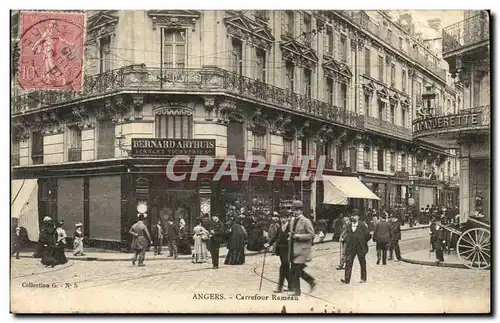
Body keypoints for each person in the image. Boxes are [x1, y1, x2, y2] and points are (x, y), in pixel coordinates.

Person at [288, 200, 316, 296]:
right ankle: (305, 285)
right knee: (295, 270)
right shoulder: (292, 220)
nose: (294, 212)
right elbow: (292, 232)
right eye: (293, 210)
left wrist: (298, 236)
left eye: (296, 210)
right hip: (293, 249)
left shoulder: (306, 221)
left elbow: (312, 235)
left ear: (301, 210)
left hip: (302, 250)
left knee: (295, 270)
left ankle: (304, 286)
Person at [341, 209, 371, 284]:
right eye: (352, 216)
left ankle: (363, 278)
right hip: (351, 247)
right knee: (348, 262)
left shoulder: (362, 225)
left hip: (360, 248)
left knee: (362, 262)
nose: (352, 217)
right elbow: (347, 235)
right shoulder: (349, 225)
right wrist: (343, 239)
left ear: (358, 217)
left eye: (354, 216)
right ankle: (347, 279)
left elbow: (368, 235)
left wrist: (363, 242)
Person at [265, 212, 292, 293]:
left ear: (288, 218)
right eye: (281, 218)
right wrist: (268, 243)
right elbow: (275, 237)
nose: (283, 219)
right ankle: (290, 286)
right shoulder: (280, 227)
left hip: (288, 250)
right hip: (281, 250)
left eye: (284, 218)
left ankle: (281, 287)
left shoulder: (291, 227)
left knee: (284, 268)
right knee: (285, 268)